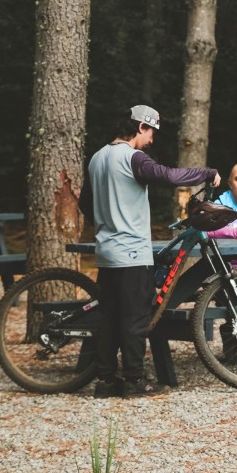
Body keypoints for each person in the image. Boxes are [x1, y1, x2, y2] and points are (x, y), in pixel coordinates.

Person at [78, 104, 219, 397]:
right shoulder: (132, 157)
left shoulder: (96, 158)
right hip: (131, 252)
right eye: (151, 131)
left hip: (106, 252)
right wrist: (206, 172)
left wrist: (107, 223)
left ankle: (105, 382)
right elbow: (167, 176)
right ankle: (134, 380)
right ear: (141, 126)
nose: (152, 139)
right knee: (134, 319)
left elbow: (84, 203)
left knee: (109, 318)